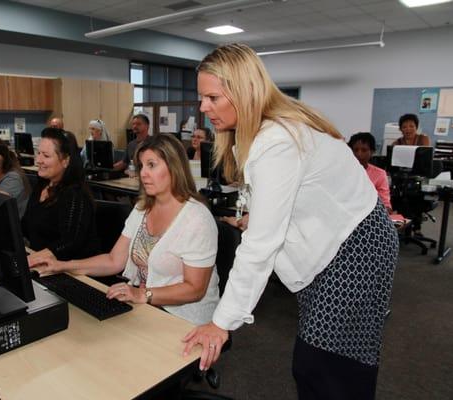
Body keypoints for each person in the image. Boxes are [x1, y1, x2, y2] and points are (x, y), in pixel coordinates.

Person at [182, 44, 399, 400]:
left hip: (358, 246)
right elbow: (295, 196)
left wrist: (221, 323)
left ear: (244, 92)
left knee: (328, 364)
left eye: (212, 98)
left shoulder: (276, 139)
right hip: (339, 239)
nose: (203, 108)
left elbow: (261, 245)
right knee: (320, 361)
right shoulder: (256, 135)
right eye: (202, 97)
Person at [27, 134, 220, 326]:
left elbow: (195, 289)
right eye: (141, 166)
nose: (143, 173)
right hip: (149, 308)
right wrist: (60, 265)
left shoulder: (197, 218)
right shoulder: (143, 208)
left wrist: (143, 294)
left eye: (151, 165)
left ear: (174, 167)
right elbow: (114, 260)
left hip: (185, 319)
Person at [21, 128, 99, 261]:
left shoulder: (75, 195)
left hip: (67, 269)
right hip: (42, 261)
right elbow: (26, 227)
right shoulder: (42, 186)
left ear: (65, 161)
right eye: (38, 153)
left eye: (46, 156)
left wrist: (30, 260)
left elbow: (69, 244)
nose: (38, 160)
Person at [348, 132, 392, 212]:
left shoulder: (380, 174)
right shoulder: (342, 171)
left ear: (372, 152)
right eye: (355, 150)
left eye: (364, 150)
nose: (359, 154)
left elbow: (385, 205)